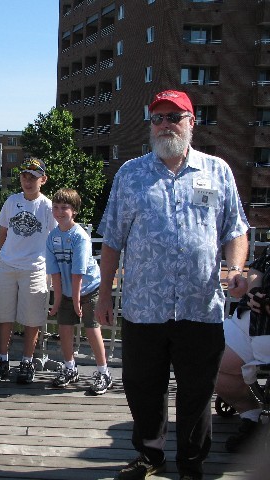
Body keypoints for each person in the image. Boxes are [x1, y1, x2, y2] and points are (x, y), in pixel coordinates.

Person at [94, 90, 249, 480]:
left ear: (191, 122)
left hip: (201, 306)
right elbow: (112, 238)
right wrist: (104, 294)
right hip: (145, 307)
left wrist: (234, 268)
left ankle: (191, 464)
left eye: (173, 117)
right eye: (157, 117)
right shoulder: (131, 174)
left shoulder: (218, 172)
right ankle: (150, 456)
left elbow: (236, 230)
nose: (164, 124)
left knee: (198, 392)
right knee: (143, 387)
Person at [0, 157, 57, 384]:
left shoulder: (48, 206)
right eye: (24, 176)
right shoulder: (11, 201)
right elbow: (3, 233)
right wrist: (5, 256)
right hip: (9, 266)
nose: (28, 181)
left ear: (42, 180)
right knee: (4, 313)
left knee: (32, 317)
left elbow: (54, 238)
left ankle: (27, 361)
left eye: (33, 177)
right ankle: (2, 358)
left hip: (35, 267)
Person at [46, 188, 112, 395]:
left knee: (91, 328)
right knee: (64, 327)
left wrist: (76, 301)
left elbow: (78, 273)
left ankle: (103, 372)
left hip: (89, 289)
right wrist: (58, 300)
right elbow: (54, 271)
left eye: (64, 208)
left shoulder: (80, 237)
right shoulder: (52, 237)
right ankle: (69, 367)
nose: (59, 212)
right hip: (66, 290)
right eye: (55, 207)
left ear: (74, 211)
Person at [215, 248, 270, 453]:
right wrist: (255, 290)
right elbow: (259, 265)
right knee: (206, 358)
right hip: (254, 322)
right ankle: (251, 416)